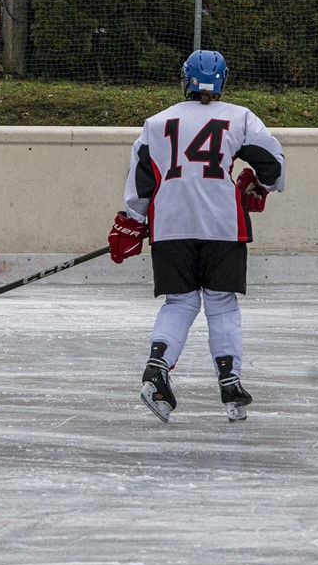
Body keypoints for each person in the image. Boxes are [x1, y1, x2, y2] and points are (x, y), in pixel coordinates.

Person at [107, 50, 285, 423]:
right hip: (223, 226)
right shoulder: (240, 117)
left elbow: (141, 183)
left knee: (180, 303)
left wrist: (132, 219)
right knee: (221, 304)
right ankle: (230, 381)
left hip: (171, 227)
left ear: (184, 79)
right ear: (223, 82)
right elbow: (273, 165)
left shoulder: (156, 123)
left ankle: (157, 371)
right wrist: (260, 185)